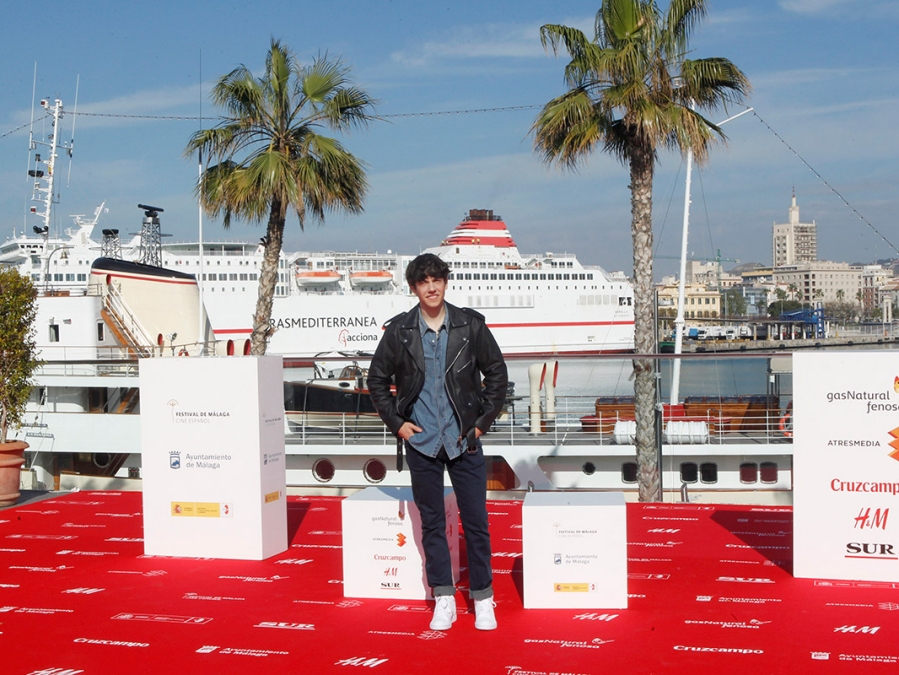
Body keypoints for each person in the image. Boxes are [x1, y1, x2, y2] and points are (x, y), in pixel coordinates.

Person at [368, 252, 508, 631]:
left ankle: (483, 598)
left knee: (476, 522)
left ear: (445, 283)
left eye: (437, 280)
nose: (431, 287)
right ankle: (443, 597)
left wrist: (479, 425)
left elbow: (497, 376)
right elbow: (377, 381)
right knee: (432, 523)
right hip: (422, 441)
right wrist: (397, 424)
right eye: (423, 282)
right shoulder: (400, 331)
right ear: (414, 288)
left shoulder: (470, 326)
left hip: (464, 439)